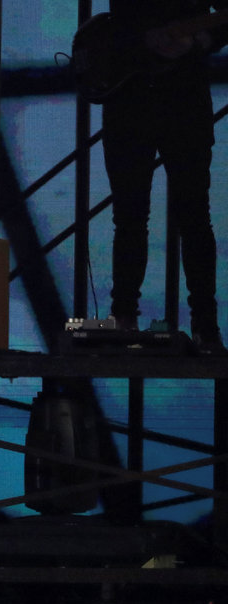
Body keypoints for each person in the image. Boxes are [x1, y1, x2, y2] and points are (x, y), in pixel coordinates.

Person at [99, 0, 228, 354]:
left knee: (141, 218)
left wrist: (197, 40)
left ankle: (126, 316)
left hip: (147, 101)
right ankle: (203, 327)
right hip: (160, 101)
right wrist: (198, 40)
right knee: (188, 218)